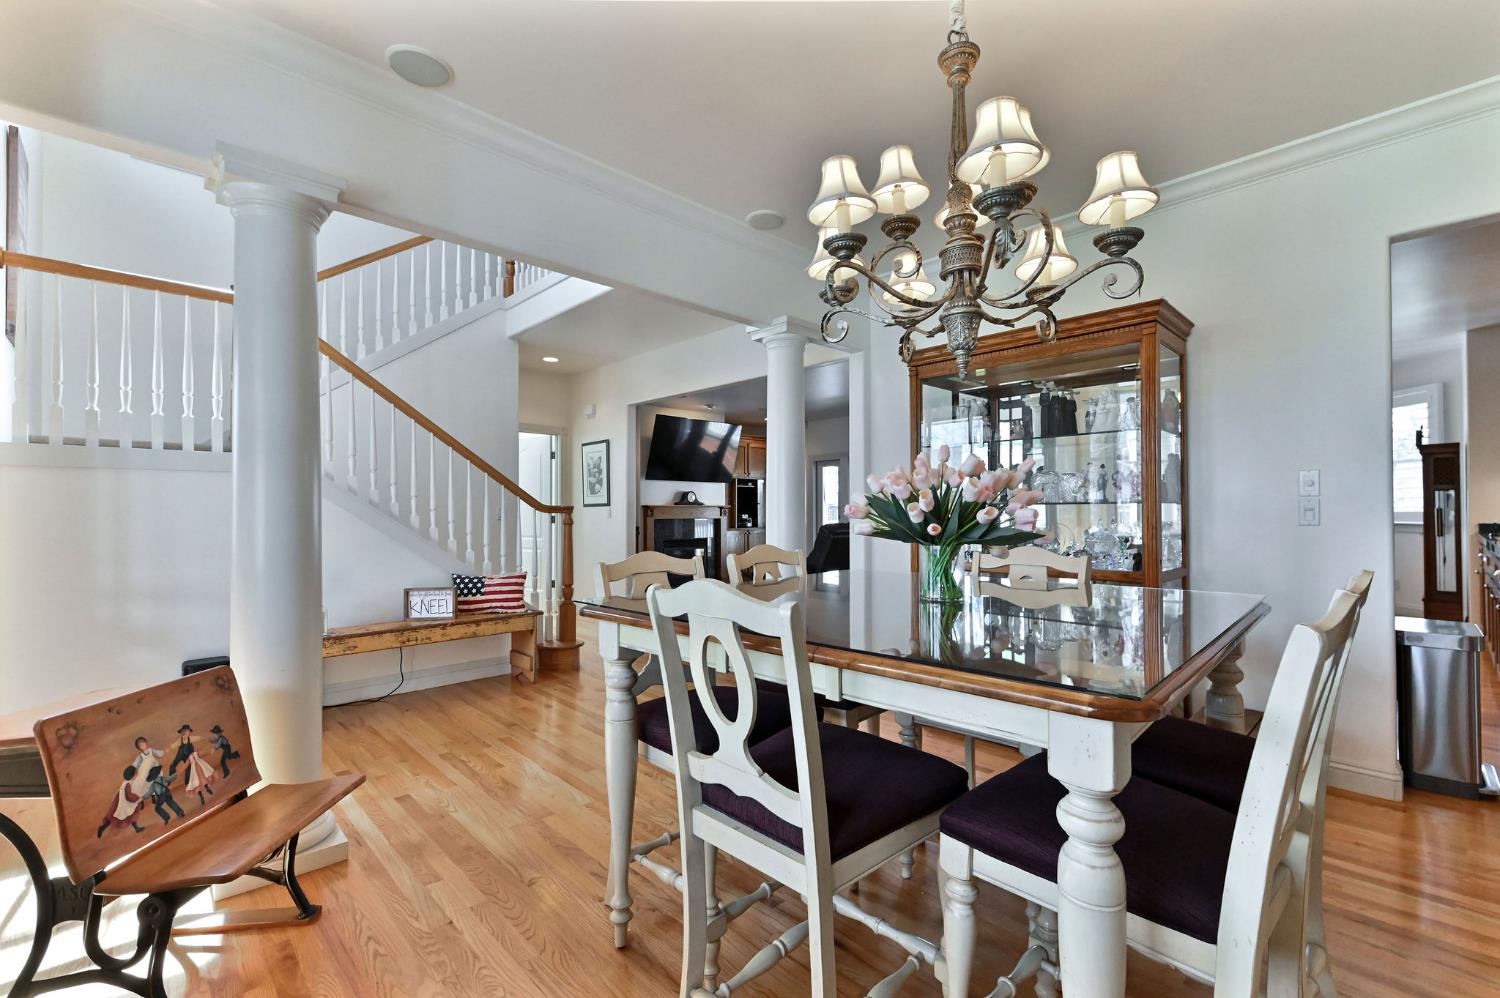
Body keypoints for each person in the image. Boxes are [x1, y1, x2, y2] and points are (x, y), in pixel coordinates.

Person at [168, 724, 217, 807]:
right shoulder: (180, 741)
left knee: (192, 777)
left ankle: (201, 791)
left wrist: (206, 739)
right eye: (186, 732)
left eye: (188, 732)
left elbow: (199, 738)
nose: (187, 733)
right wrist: (169, 748)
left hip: (191, 761)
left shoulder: (192, 744)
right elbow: (174, 745)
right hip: (181, 755)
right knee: (172, 766)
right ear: (182, 733)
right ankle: (169, 783)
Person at [97, 765, 147, 836]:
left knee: (113, 816)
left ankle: (102, 827)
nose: (137, 775)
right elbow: (129, 796)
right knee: (132, 812)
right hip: (125, 803)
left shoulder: (126, 782)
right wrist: (138, 798)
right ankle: (136, 828)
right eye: (136, 774)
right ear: (133, 775)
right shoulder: (128, 784)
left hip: (120, 801)